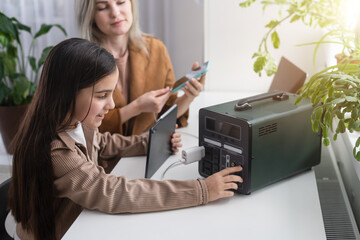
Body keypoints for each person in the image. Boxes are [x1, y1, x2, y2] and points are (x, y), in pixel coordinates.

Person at [8, 38, 242, 240]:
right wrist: (201, 190)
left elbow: (105, 143)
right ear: (67, 94)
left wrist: (148, 143)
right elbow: (114, 192)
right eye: (102, 96)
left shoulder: (76, 121)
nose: (110, 105)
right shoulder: (58, 153)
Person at [76, 0, 206, 137]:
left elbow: (167, 113)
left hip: (145, 150)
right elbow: (82, 125)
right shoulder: (83, 62)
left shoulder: (156, 49)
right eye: (103, 7)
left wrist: (189, 96)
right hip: (102, 155)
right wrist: (136, 107)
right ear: (91, 15)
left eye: (120, 2)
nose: (115, 13)